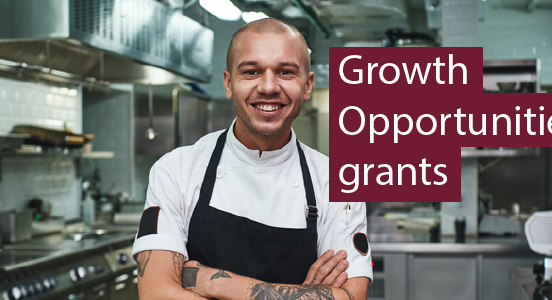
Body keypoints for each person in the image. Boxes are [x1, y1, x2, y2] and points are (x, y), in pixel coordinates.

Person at [132, 18, 372, 300]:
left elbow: (351, 297)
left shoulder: (336, 182)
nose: (268, 87)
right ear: (228, 82)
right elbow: (157, 294)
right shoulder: (176, 170)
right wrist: (303, 295)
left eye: (285, 72)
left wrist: (215, 283)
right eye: (251, 71)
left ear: (307, 85)